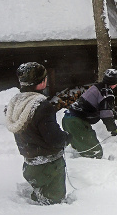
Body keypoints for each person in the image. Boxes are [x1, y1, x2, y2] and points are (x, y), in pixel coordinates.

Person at [5, 62, 71, 205]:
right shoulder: (42, 107)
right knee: (54, 203)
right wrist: (66, 137)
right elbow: (54, 139)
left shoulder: (16, 103)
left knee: (40, 194)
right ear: (42, 83)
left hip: (31, 164)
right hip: (49, 166)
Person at [62, 68, 117, 158]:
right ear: (115, 84)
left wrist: (116, 116)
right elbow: (106, 115)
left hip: (68, 119)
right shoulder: (107, 93)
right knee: (95, 153)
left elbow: (105, 107)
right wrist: (112, 128)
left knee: (79, 150)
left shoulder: (97, 87)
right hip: (77, 123)